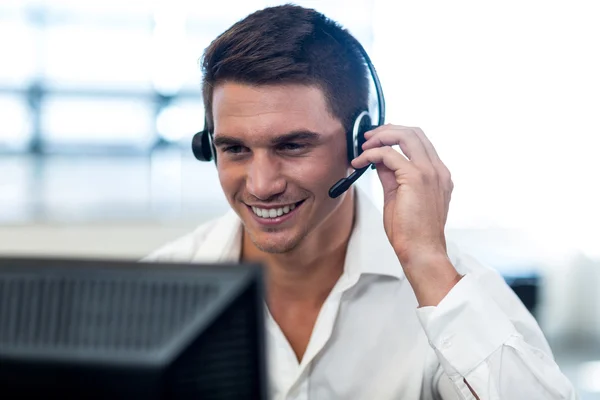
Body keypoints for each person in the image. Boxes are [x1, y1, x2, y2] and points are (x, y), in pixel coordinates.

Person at [144, 5, 577, 399]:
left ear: (361, 143)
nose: (261, 185)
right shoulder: (158, 290)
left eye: (293, 146)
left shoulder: (452, 291)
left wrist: (426, 260)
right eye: (235, 149)